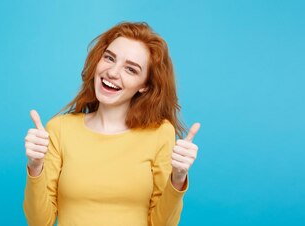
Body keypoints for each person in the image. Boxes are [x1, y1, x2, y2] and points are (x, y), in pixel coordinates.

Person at [23, 21, 201, 226]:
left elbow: (162, 224)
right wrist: (35, 167)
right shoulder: (59, 129)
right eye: (109, 58)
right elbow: (39, 222)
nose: (113, 73)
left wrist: (178, 178)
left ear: (145, 85)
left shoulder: (160, 133)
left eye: (131, 69)